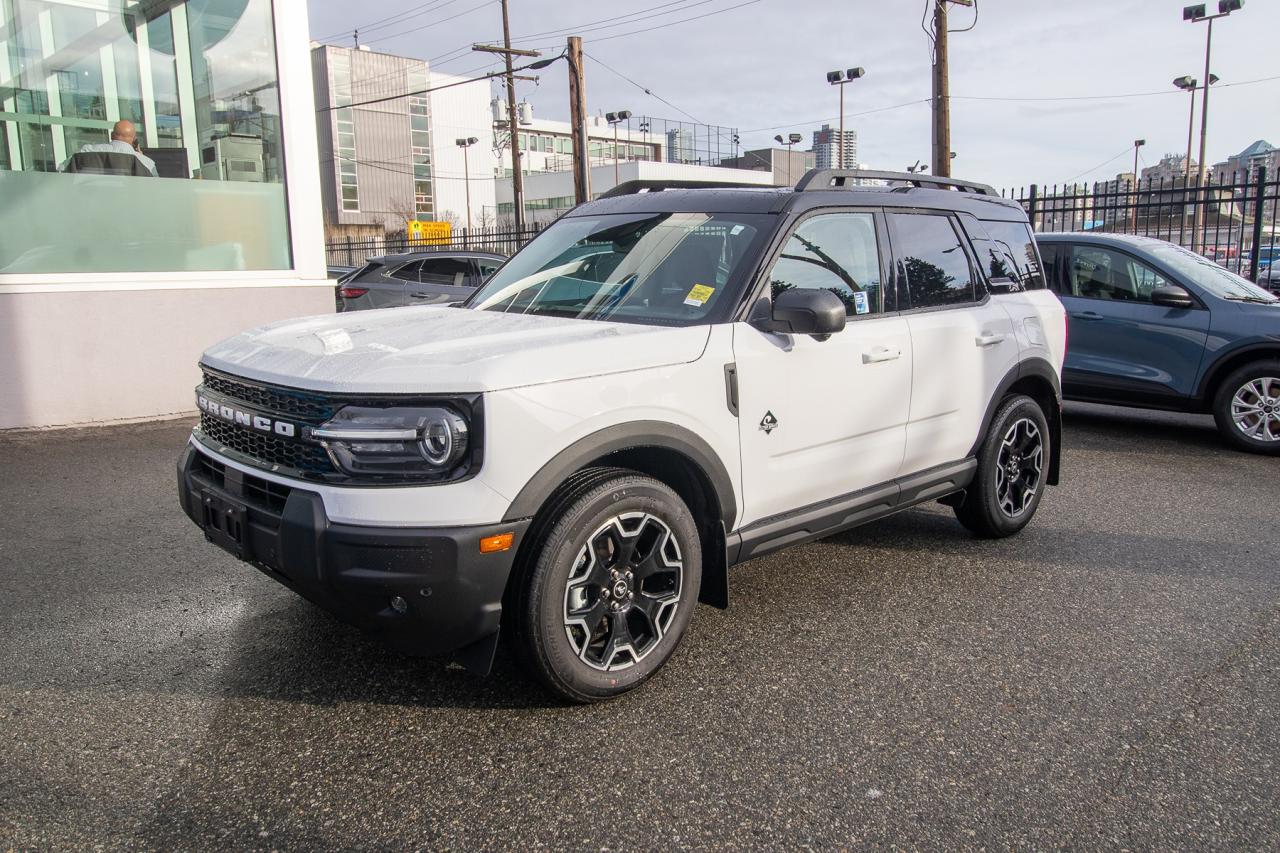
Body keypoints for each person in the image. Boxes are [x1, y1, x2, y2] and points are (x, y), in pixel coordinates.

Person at [63, 120, 157, 177]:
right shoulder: (145, 162)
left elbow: (60, 170)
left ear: (112, 135)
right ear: (134, 140)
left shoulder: (86, 151)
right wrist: (140, 157)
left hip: (88, 204)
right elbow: (155, 187)